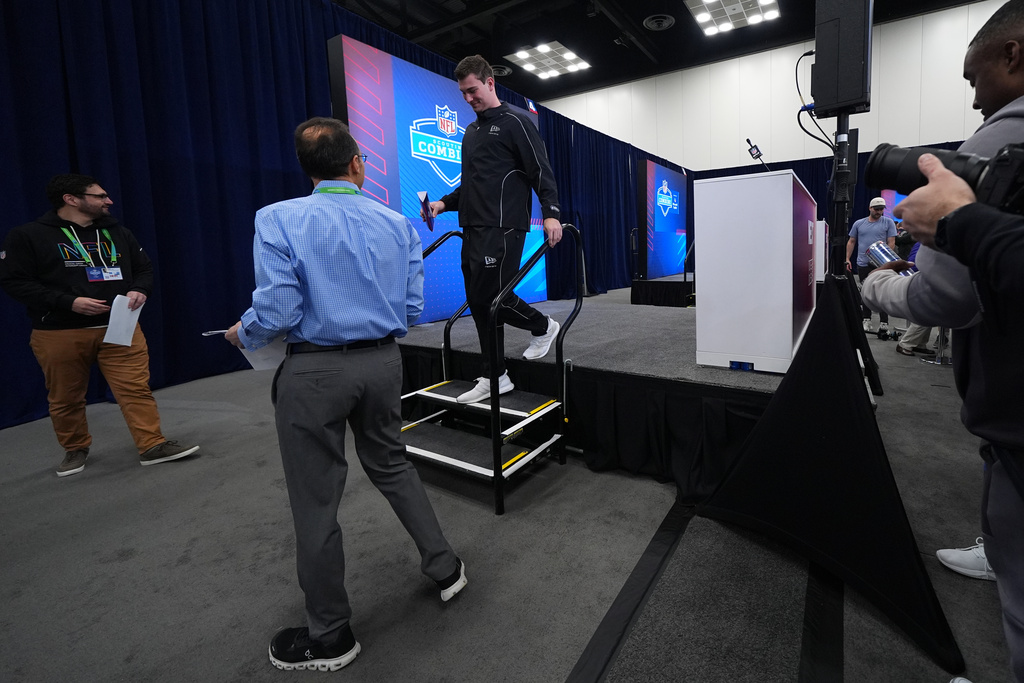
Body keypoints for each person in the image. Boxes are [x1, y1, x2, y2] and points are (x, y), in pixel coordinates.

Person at [226, 117, 466, 673]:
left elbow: (279, 312)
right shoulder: (400, 224)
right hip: (384, 363)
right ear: (357, 165)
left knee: (315, 501)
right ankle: (446, 567)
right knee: (393, 465)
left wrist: (246, 331)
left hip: (314, 375)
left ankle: (330, 635)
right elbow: (409, 313)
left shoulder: (276, 218)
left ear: (307, 169)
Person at [863, 5, 1024, 678]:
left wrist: (871, 287)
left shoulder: (1002, 139)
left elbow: (942, 297)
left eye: (975, 75)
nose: (973, 95)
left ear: (1013, 54)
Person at [0, 174, 199, 477]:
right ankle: (75, 448)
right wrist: (68, 302)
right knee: (66, 397)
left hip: (120, 326)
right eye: (100, 196)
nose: (109, 201)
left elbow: (144, 269)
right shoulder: (28, 236)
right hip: (60, 331)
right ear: (71, 199)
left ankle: (152, 444)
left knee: (135, 389)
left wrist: (140, 290)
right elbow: (15, 282)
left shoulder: (117, 231)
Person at [424, 54, 563, 404]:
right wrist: (442, 203)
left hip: (504, 226)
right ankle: (496, 375)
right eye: (463, 93)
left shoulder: (516, 121)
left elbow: (540, 170)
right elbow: (473, 183)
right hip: (472, 225)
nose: (469, 99)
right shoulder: (471, 132)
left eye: (473, 91)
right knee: (478, 301)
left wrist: (551, 212)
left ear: (490, 83)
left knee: (493, 300)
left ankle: (543, 327)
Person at [846, 196, 897, 333]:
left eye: (881, 209)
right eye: (877, 209)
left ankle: (884, 322)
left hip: (881, 264)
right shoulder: (859, 223)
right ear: (870, 208)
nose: (879, 212)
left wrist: (886, 259)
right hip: (863, 263)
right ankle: (866, 319)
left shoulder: (888, 223)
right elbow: (851, 241)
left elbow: (891, 242)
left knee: (882, 292)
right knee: (865, 291)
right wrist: (847, 258)